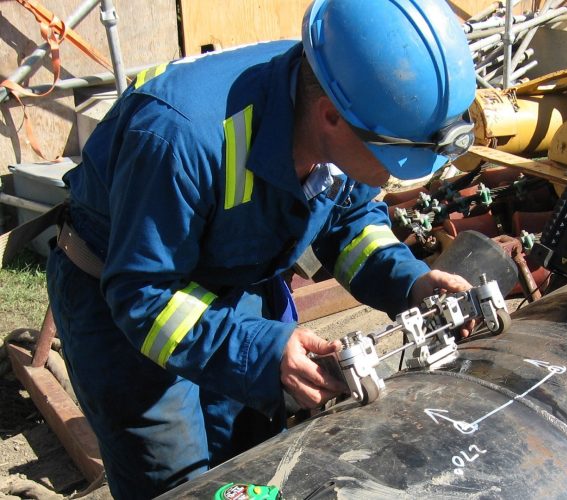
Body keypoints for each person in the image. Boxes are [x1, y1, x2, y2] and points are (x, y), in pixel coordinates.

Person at [45, 0, 477, 497]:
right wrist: (263, 351)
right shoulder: (180, 136)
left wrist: (412, 281)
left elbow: (352, 220)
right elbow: (142, 295)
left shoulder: (345, 95)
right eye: (392, 155)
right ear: (330, 117)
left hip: (233, 276)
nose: (396, 173)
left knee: (257, 458)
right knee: (178, 484)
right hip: (129, 302)